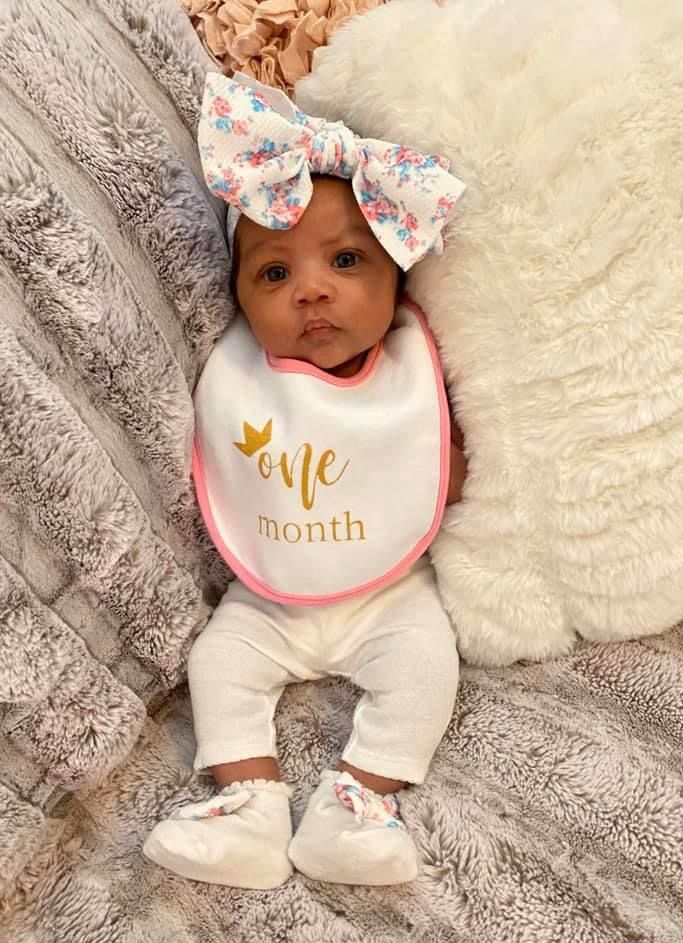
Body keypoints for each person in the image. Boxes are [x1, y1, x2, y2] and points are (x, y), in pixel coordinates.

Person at [143, 72, 467, 889]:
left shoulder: (414, 367)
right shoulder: (236, 377)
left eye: (347, 259)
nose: (312, 288)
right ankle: (248, 804)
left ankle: (360, 803)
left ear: (397, 272)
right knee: (217, 663)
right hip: (267, 598)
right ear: (239, 298)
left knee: (429, 665)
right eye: (273, 274)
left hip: (390, 593)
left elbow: (450, 470)